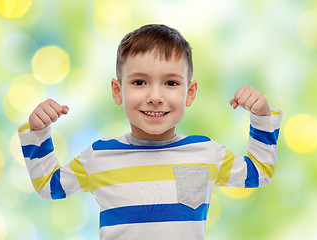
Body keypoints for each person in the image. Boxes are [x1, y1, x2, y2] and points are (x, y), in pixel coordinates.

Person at [18, 24, 282, 240]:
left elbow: (259, 173)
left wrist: (261, 117)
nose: (155, 96)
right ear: (117, 91)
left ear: (189, 93)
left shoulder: (205, 152)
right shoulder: (99, 156)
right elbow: (50, 187)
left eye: (170, 82)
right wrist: (39, 133)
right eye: (139, 82)